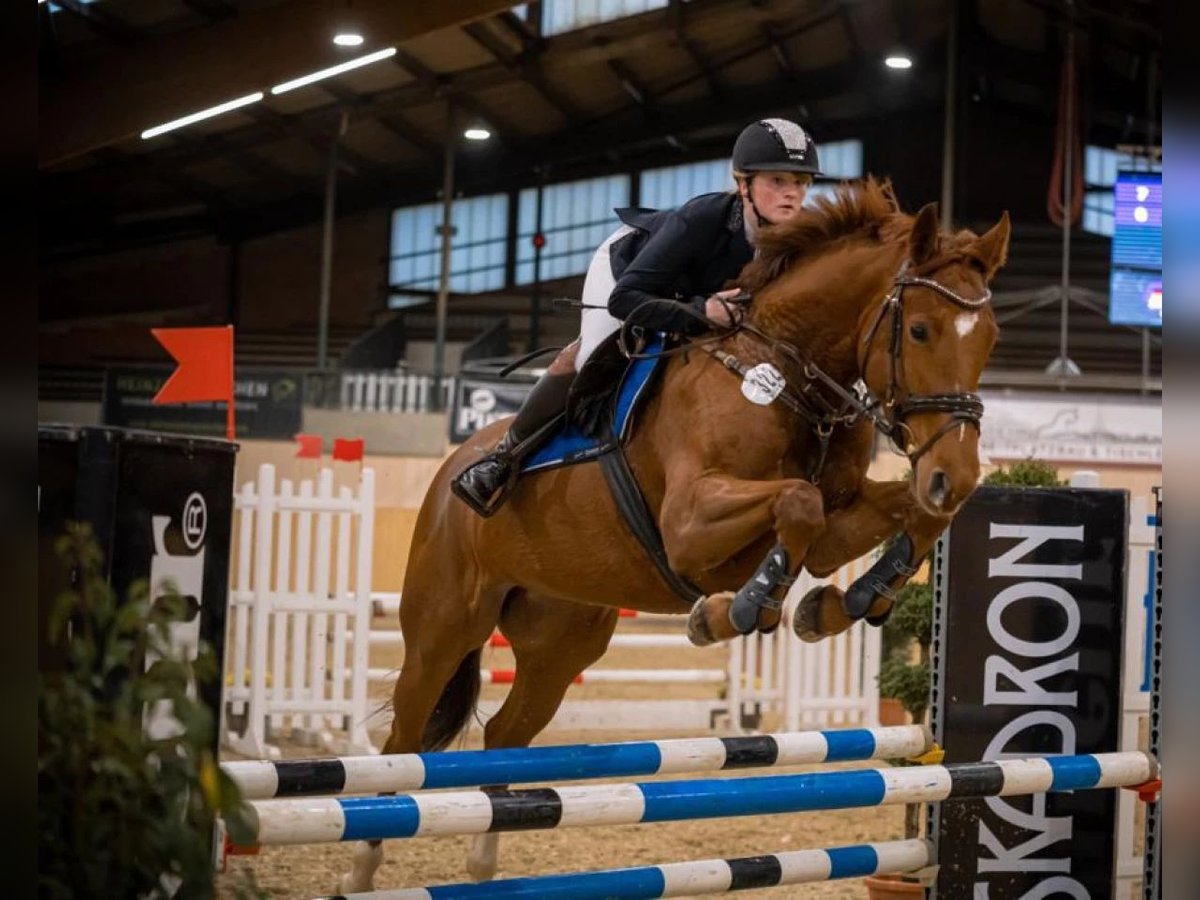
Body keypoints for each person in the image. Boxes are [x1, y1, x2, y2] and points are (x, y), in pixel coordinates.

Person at [452, 118, 822, 517]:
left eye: (801, 183)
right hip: (626, 277)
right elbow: (625, 299)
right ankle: (503, 458)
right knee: (590, 358)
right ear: (742, 183)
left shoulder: (802, 241)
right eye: (778, 180)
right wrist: (701, 311)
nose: (791, 194)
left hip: (699, 302)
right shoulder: (700, 220)